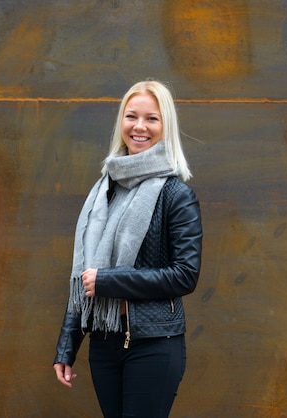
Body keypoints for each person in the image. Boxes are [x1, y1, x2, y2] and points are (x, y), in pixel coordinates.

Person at [53, 80, 202, 417]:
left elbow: (185, 275)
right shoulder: (103, 193)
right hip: (104, 342)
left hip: (154, 344)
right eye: (131, 116)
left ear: (166, 127)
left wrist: (111, 280)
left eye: (152, 118)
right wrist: (67, 345)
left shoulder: (176, 195)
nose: (139, 127)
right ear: (121, 122)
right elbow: (84, 276)